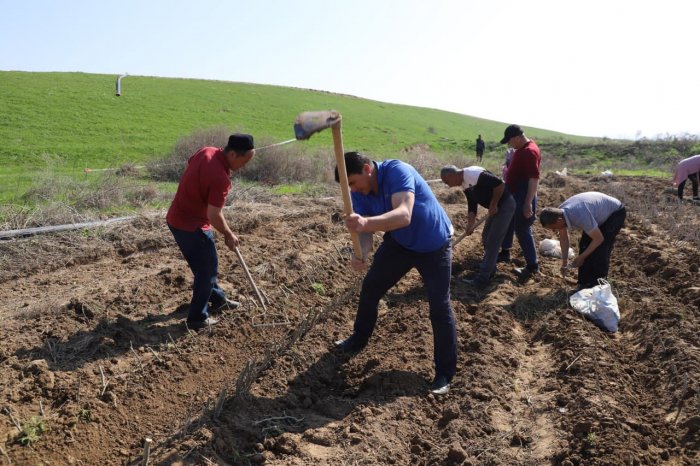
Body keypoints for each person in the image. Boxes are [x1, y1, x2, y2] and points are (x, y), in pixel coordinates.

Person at [334, 151, 456, 395]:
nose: (354, 191)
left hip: (434, 245)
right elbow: (364, 231)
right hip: (399, 244)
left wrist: (365, 224)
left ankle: (444, 373)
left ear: (367, 170)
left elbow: (404, 215)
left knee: (439, 308)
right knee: (371, 288)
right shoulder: (357, 194)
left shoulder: (397, 171)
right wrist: (363, 253)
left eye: (353, 183)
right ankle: (359, 338)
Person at [166, 134, 255, 330]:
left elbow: (192, 168)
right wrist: (228, 234)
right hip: (191, 226)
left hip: (176, 218)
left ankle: (218, 299)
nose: (245, 166)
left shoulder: (207, 151)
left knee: (203, 266)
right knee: (207, 269)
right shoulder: (220, 178)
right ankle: (197, 318)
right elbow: (214, 214)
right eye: (244, 161)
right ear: (232, 153)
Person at [440, 165, 515, 290]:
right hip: (495, 208)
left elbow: (500, 184)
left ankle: (483, 279)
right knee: (486, 236)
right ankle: (491, 270)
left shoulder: (473, 174)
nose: (449, 186)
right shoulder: (464, 183)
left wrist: (494, 204)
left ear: (450, 176)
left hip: (504, 205)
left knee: (493, 241)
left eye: (447, 182)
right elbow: (472, 204)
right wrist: (470, 224)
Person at [539, 192, 626, 290]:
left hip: (615, 213)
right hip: (596, 214)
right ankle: (584, 283)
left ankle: (599, 285)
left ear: (559, 221)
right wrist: (564, 262)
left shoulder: (579, 215)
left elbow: (599, 239)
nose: (554, 230)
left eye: (553, 227)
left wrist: (581, 257)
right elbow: (563, 238)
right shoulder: (559, 213)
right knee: (585, 245)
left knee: (601, 249)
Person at [497, 125, 541, 278]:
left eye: (509, 142)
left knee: (522, 229)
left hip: (523, 195)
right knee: (510, 222)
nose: (510, 145)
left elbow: (533, 179)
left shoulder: (529, 151)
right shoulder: (524, 148)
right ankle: (505, 252)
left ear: (516, 137)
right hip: (516, 194)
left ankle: (532, 266)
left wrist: (527, 202)